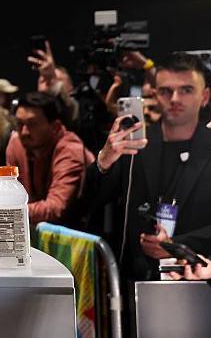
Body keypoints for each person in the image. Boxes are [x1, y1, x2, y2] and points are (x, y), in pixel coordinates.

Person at [85, 52, 211, 282]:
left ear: (204, 97)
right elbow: (89, 205)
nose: (174, 98)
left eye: (186, 90)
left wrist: (179, 246)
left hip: (198, 279)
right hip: (135, 281)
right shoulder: (134, 145)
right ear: (154, 94)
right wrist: (103, 161)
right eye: (165, 91)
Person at [0, 92, 94, 226]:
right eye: (20, 124)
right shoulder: (16, 143)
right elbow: (14, 199)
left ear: (55, 127)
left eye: (32, 124)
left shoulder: (69, 149)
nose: (24, 132)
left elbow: (56, 209)